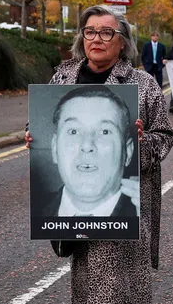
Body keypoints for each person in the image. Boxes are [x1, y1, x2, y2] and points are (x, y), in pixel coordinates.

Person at [25, 5, 173, 304]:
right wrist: (34, 135)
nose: (96, 39)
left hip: (121, 198)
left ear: (122, 41)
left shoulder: (142, 85)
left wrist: (140, 146)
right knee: (88, 271)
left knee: (107, 272)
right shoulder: (63, 76)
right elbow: (41, 125)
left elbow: (165, 136)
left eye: (107, 33)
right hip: (72, 198)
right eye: (90, 31)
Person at [39, 86, 138, 220]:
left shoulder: (142, 217)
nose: (87, 145)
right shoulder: (33, 213)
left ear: (128, 152)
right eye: (73, 131)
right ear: (55, 148)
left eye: (105, 131)